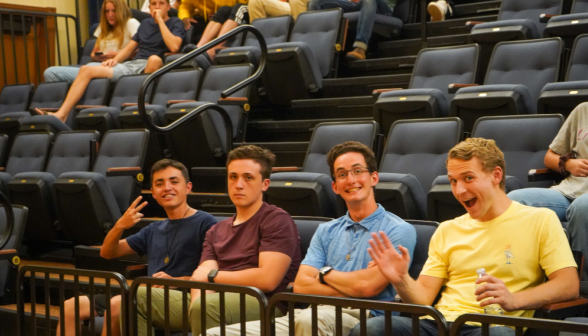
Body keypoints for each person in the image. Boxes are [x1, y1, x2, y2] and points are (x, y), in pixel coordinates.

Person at [353, 137, 579, 336]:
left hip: (491, 324)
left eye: (468, 178)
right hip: (438, 324)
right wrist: (400, 279)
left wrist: (515, 300)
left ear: (496, 175)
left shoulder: (540, 219)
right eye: (453, 181)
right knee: (372, 328)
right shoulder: (447, 229)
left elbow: (568, 285)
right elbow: (422, 299)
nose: (459, 190)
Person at [207, 141, 416, 336]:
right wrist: (353, 287)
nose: (351, 180)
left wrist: (324, 274)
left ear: (374, 178)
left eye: (358, 171)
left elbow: (369, 287)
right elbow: (302, 285)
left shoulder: (397, 229)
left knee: (310, 320)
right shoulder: (326, 230)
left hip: (365, 317)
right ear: (335, 186)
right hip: (310, 312)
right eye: (342, 174)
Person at [135, 145, 301, 335]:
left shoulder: (276, 219)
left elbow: (267, 280)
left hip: (265, 302)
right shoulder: (216, 230)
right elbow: (201, 277)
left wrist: (213, 278)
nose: (239, 184)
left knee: (207, 306)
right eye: (233, 177)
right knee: (137, 295)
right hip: (214, 299)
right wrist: (197, 303)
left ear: (264, 184)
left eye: (248, 178)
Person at [56, 159, 216, 336]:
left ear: (188, 187)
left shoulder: (205, 222)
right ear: (153, 193)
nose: (167, 187)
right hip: (146, 293)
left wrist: (177, 280)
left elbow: (214, 272)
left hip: (184, 296)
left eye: (174, 181)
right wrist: (119, 226)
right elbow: (107, 252)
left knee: (119, 305)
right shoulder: (153, 229)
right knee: (71, 307)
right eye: (159, 183)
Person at [35, 0, 185, 123]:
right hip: (131, 66)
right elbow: (129, 48)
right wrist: (114, 60)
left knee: (154, 58)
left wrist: (160, 20)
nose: (157, 7)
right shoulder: (145, 25)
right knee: (86, 69)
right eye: (153, 3)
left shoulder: (175, 23)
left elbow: (174, 45)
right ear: (149, 6)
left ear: (168, 6)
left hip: (152, 64)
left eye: (161, 3)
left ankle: (62, 114)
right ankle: (62, 114)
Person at [509, 102, 588, 286]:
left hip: (582, 204)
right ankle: (522, 277)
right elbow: (550, 157)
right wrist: (568, 165)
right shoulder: (583, 110)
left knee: (582, 208)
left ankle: (578, 284)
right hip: (568, 191)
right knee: (514, 201)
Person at [44, 0, 140, 83]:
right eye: (107, 11)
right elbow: (93, 54)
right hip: (98, 65)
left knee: (53, 73)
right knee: (49, 72)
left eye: (114, 11)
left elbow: (140, 52)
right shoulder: (102, 27)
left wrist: (116, 55)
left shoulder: (131, 23)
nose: (110, 15)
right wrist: (98, 57)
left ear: (121, 11)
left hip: (118, 67)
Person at [308, 0, 396, 61]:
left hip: (384, 7)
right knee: (317, 1)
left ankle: (360, 48)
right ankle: (311, 48)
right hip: (358, 3)